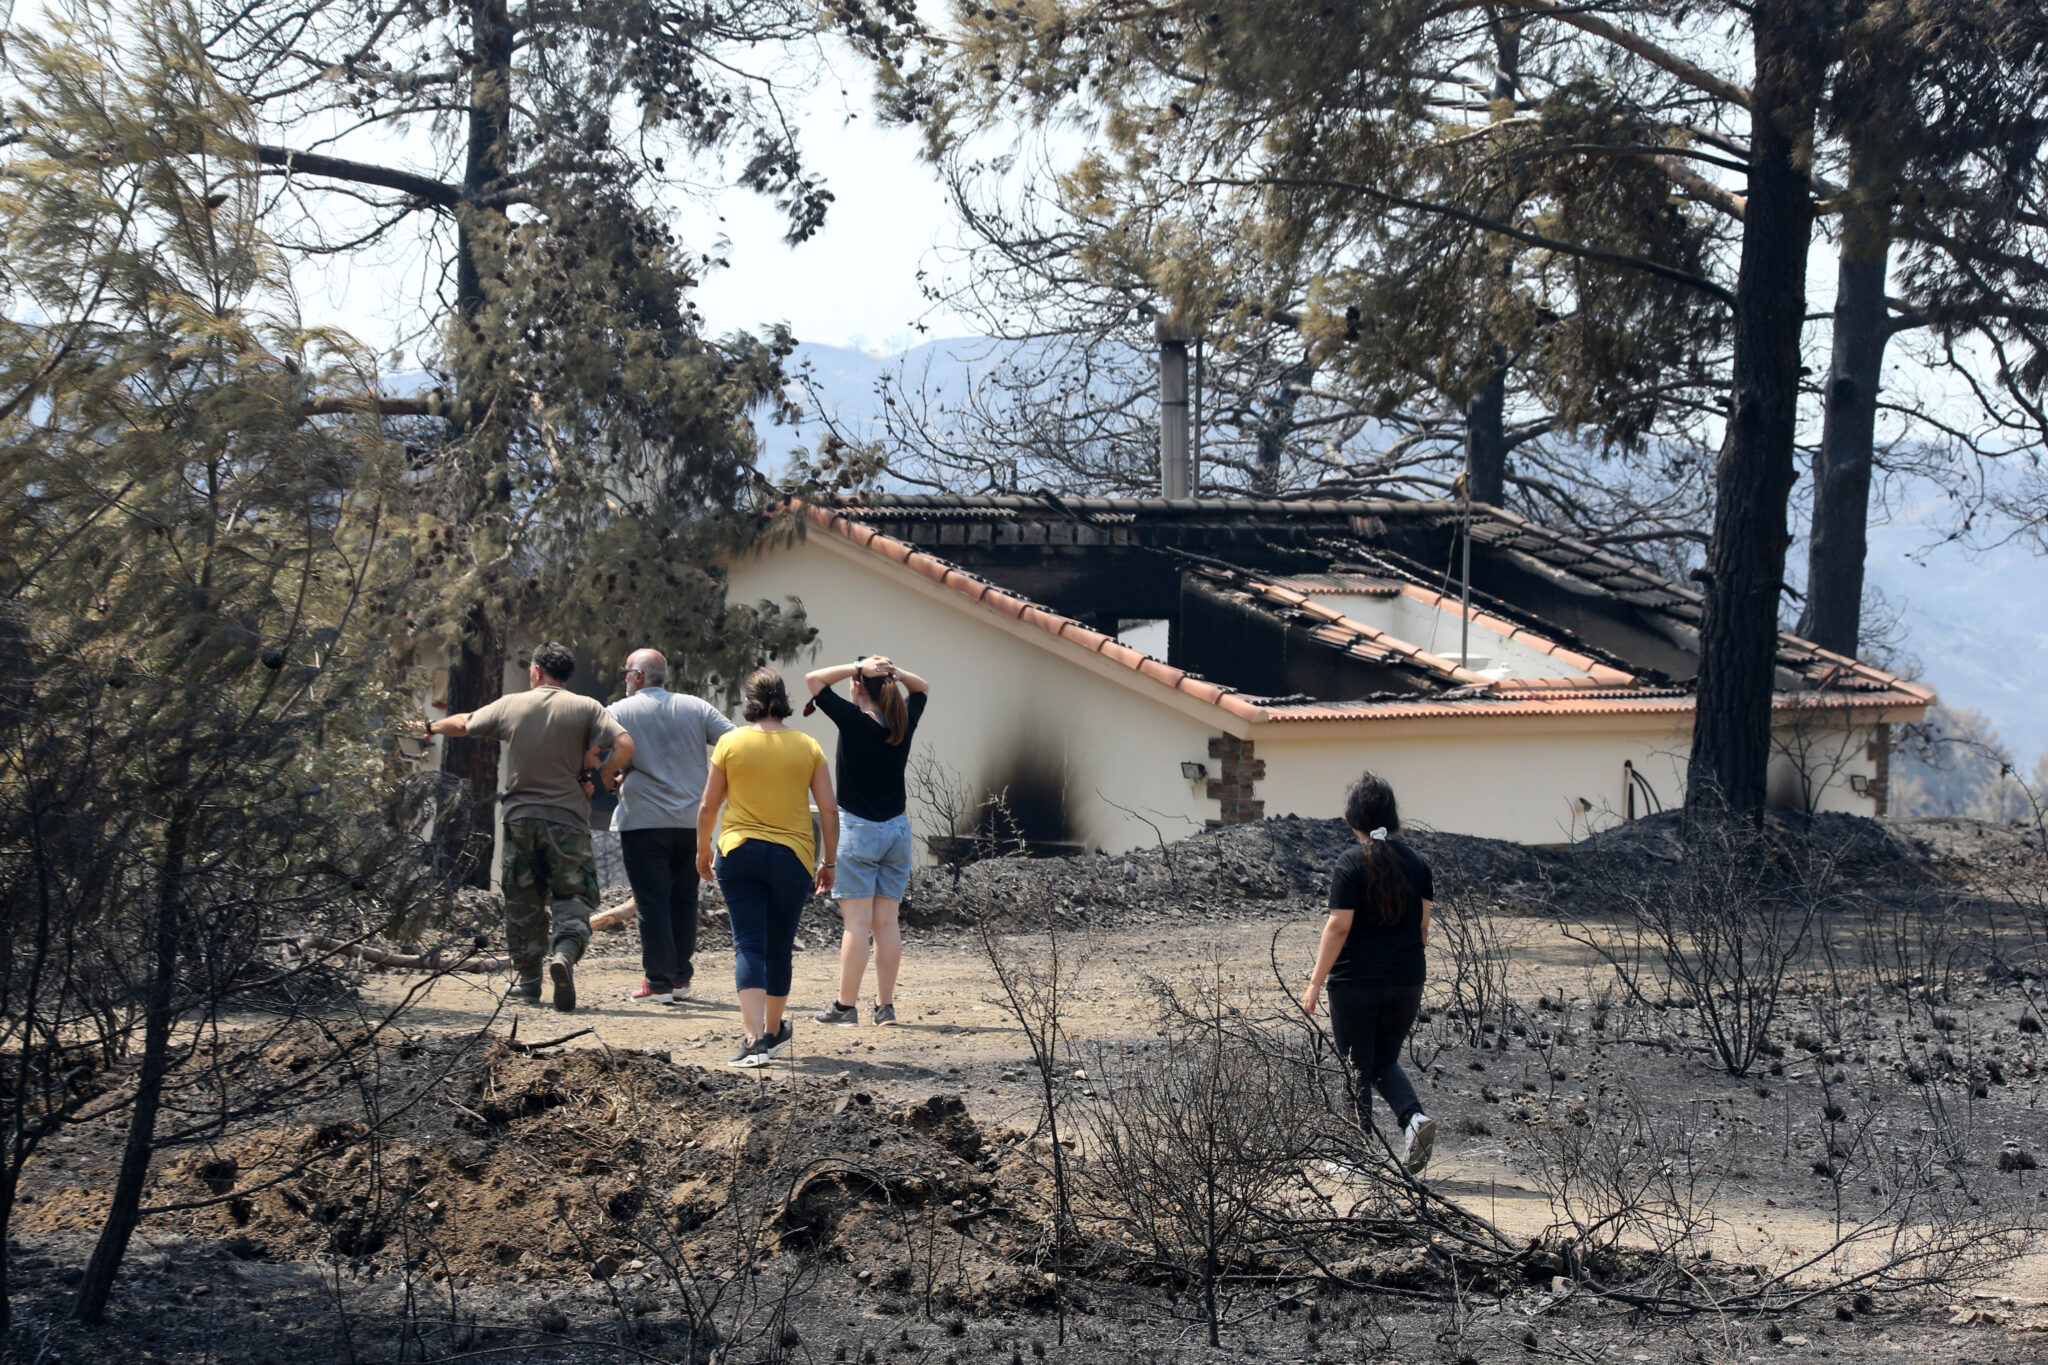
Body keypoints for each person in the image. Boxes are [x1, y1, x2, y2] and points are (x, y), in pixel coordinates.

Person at [424, 642, 634, 1013]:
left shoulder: (512, 704)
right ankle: (564, 952)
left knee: (524, 902)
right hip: (568, 820)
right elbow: (625, 744)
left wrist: (429, 726)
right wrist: (601, 775)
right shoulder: (587, 707)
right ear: (566, 675)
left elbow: (463, 724)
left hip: (521, 819)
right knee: (572, 896)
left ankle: (528, 982)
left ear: (536, 671)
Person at [696, 668, 838, 1068]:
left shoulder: (730, 742)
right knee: (779, 947)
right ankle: (773, 1031)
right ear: (784, 701)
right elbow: (829, 810)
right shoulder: (808, 746)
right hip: (792, 857)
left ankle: (754, 1039)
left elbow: (708, 805)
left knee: (749, 944)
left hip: (738, 851)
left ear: (750, 702)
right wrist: (829, 861)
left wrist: (702, 849)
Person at [1299, 771, 1438, 1174]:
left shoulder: (1349, 863)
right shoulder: (1417, 863)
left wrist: (1315, 983)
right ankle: (1413, 1119)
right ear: (1392, 816)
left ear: (1352, 820)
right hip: (1407, 980)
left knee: (1355, 1065)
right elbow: (1423, 928)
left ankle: (1356, 1154)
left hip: (1355, 983)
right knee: (1382, 1061)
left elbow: (1338, 926)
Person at [803, 654, 930, 1027]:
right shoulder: (902, 722)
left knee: (856, 924)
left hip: (858, 830)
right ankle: (884, 1007)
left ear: (858, 687)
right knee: (886, 923)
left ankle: (845, 1007)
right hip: (897, 831)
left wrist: (857, 668)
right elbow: (922, 688)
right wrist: (895, 673)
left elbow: (813, 679)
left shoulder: (853, 720)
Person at [608, 648, 734, 1005]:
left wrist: (616, 772)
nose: (625, 680)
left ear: (637, 676)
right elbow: (735, 740)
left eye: (625, 673)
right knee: (684, 898)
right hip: (692, 820)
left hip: (644, 820)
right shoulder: (696, 707)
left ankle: (658, 982)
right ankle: (679, 977)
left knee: (652, 901)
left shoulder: (619, 711)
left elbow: (595, 746)